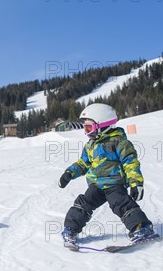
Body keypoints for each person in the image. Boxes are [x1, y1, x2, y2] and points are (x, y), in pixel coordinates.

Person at [58, 103, 156, 246]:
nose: (86, 132)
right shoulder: (90, 145)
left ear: (102, 125)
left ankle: (142, 228)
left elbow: (130, 162)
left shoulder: (119, 142)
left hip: (114, 184)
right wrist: (69, 173)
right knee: (82, 204)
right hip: (96, 185)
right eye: (85, 128)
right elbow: (83, 163)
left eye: (89, 127)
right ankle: (70, 229)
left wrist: (136, 183)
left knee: (122, 204)